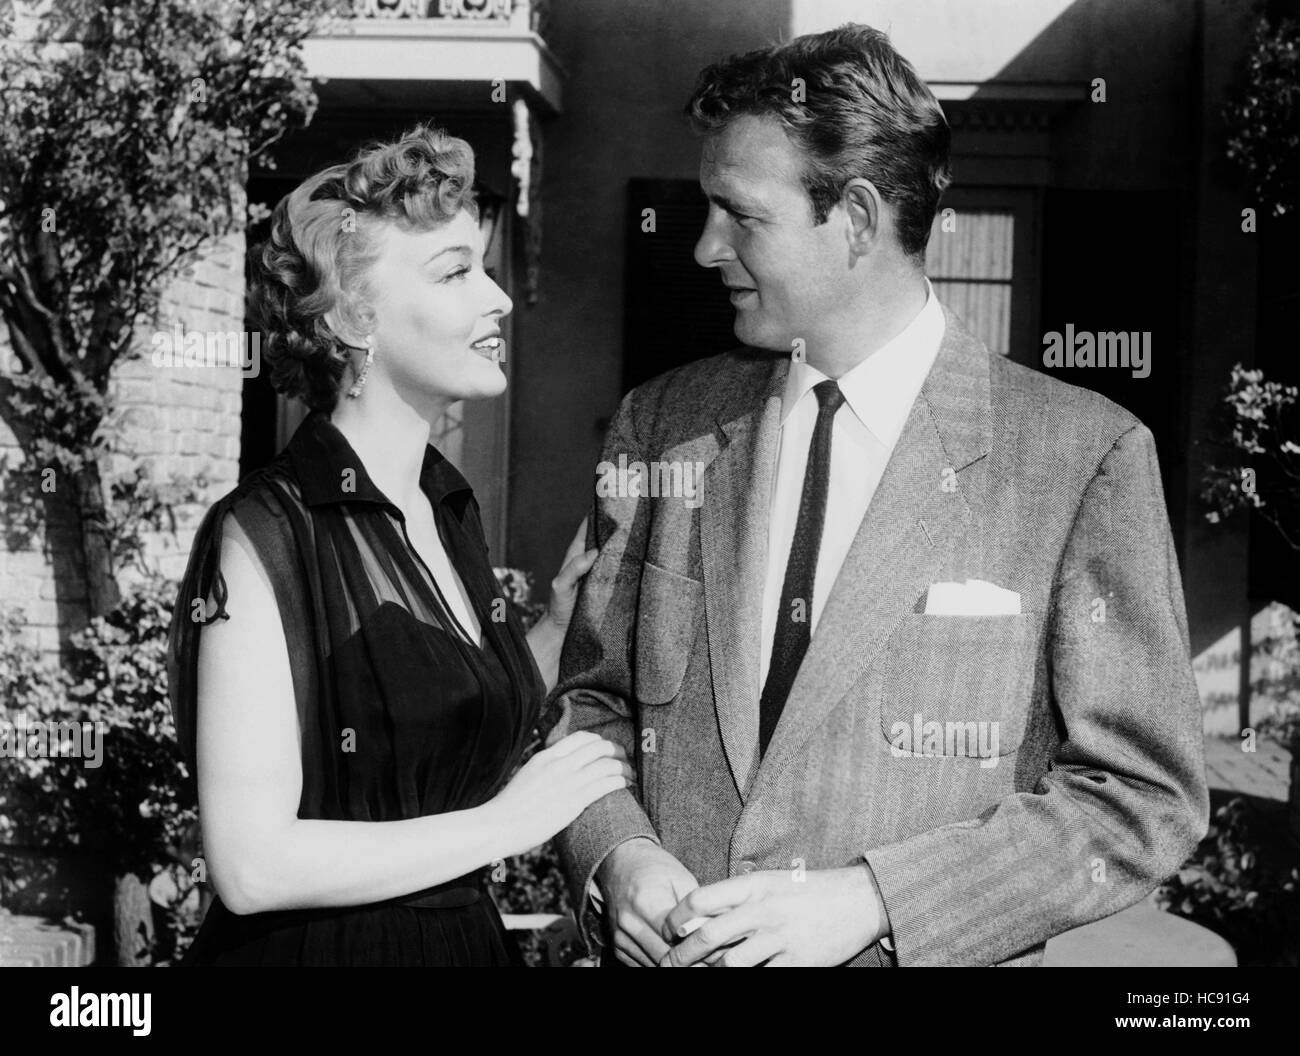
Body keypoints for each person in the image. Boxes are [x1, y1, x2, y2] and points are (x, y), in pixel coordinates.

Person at [543, 23, 1209, 967]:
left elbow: (1143, 796)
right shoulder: (661, 424)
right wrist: (618, 851)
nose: (703, 248)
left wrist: (877, 903)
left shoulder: (1082, 456)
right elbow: (589, 704)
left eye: (740, 215)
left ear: (855, 219)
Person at [166, 124, 629, 966]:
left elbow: (419, 728)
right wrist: (508, 825)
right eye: (456, 272)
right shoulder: (264, 533)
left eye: (483, 267)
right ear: (352, 316)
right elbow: (249, 865)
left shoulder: (443, 505)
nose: (498, 299)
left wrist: (555, 632)